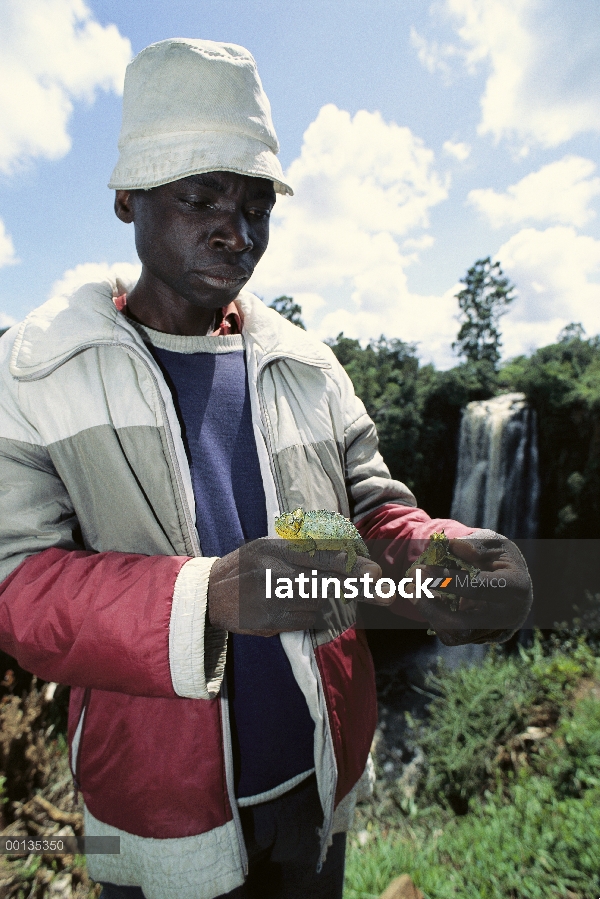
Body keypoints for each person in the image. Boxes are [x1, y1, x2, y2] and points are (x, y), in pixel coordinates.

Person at [0, 39, 532, 899]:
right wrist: (203, 596)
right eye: (200, 195)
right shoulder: (36, 370)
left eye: (257, 205)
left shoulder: (308, 365)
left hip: (318, 778)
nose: (236, 230)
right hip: (159, 811)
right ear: (127, 198)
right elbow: (18, 585)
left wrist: (449, 557)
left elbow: (370, 513)